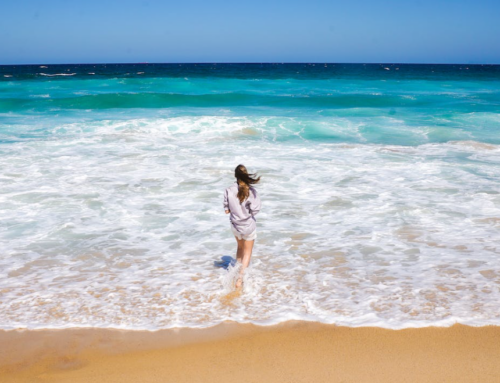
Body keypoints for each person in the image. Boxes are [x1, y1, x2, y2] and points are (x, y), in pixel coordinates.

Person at [223, 164, 261, 289]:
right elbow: (255, 210)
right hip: (248, 226)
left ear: (235, 176)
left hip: (235, 226)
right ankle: (240, 279)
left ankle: (235, 274)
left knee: (240, 248)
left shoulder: (228, 190)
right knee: (247, 252)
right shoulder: (251, 191)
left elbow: (226, 210)